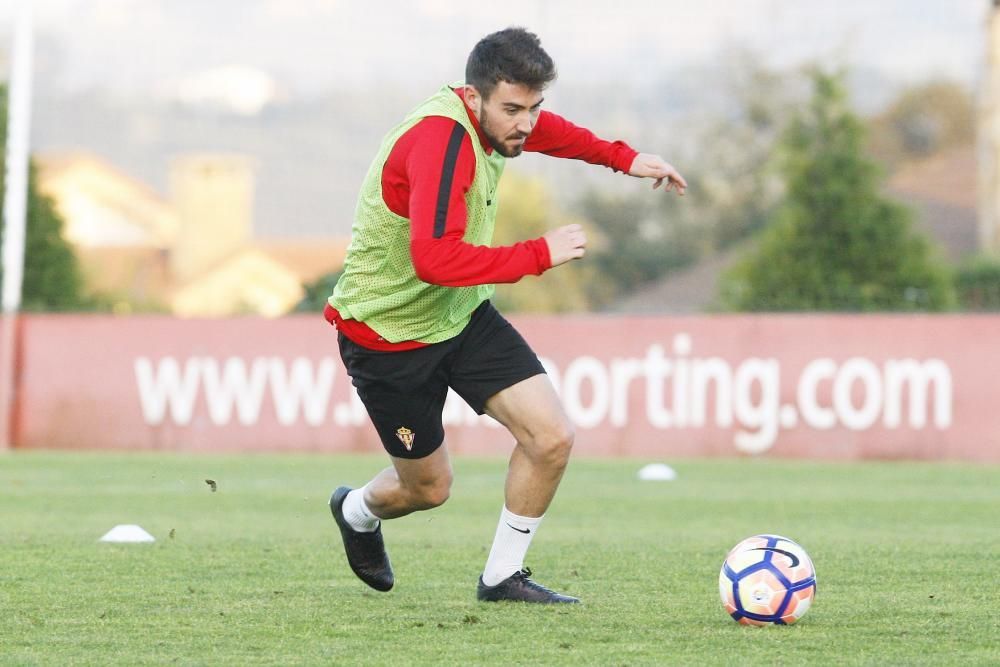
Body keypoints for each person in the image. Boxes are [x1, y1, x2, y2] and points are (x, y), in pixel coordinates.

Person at [325, 26, 686, 604]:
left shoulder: (499, 119)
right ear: (473, 99)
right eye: (512, 109)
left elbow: (549, 133)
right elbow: (433, 259)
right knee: (428, 490)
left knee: (551, 438)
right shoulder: (440, 143)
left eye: (533, 107)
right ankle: (356, 510)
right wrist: (540, 254)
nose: (525, 122)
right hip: (388, 336)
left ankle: (501, 578)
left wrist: (625, 158)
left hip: (462, 317)